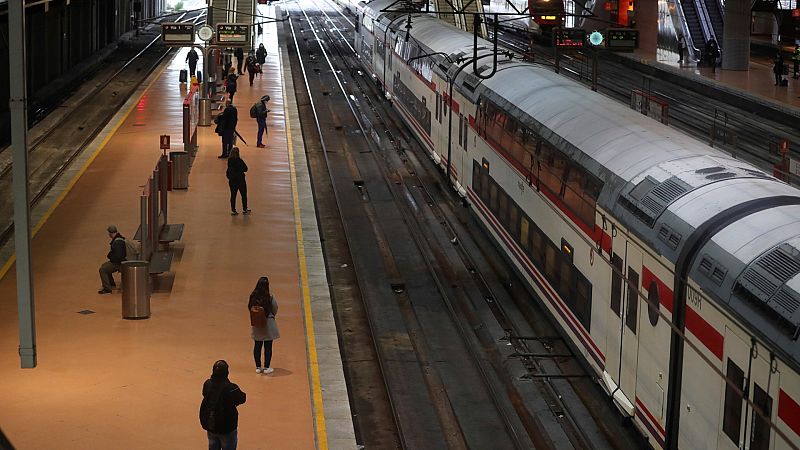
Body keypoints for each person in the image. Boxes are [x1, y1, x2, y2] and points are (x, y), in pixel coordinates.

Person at [199, 360, 246, 450]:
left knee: (212, 445)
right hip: (227, 427)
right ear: (227, 372)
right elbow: (242, 398)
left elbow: (204, 394)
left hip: (211, 424)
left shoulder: (208, 384)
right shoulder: (231, 388)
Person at [248, 277, 280, 374]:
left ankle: (258, 367)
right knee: (268, 346)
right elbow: (275, 308)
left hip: (257, 324)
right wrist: (270, 316)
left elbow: (249, 307)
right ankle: (266, 367)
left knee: (257, 345)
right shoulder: (270, 297)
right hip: (268, 324)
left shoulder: (253, 296)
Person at [98, 225, 126, 294]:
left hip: (119, 263)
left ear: (110, 233)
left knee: (103, 269)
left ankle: (107, 289)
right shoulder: (119, 239)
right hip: (121, 261)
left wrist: (110, 256)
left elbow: (118, 256)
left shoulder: (117, 242)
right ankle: (111, 283)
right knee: (105, 265)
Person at [226, 147, 250, 215]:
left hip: (232, 180)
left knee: (233, 195)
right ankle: (245, 209)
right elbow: (246, 169)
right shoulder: (239, 160)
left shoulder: (229, 161)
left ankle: (233, 210)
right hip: (240, 180)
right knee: (243, 194)